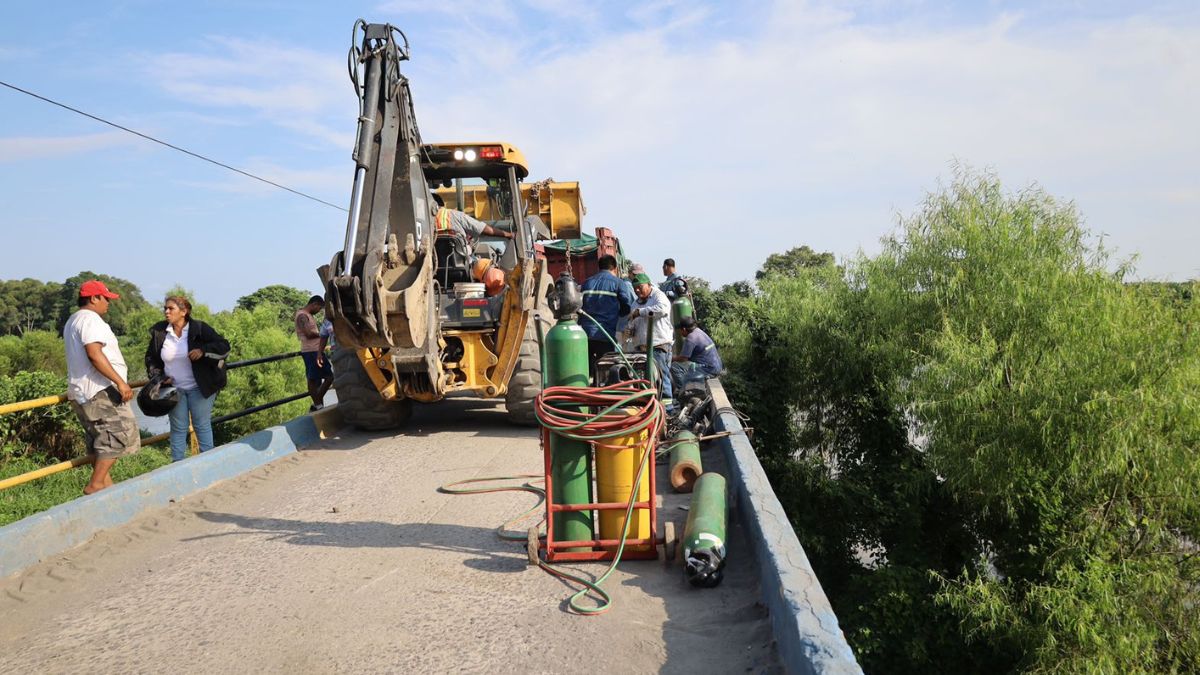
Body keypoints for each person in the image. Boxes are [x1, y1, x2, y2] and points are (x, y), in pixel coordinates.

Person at [62, 280, 141, 494]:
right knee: (116, 437)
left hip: (83, 391)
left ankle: (106, 488)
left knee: (101, 440)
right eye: (106, 298)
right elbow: (95, 354)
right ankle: (95, 485)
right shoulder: (90, 320)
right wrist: (120, 382)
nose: (108, 303)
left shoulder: (74, 319)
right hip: (98, 390)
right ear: (94, 298)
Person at [145, 296, 231, 461]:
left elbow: (224, 345)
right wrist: (159, 377)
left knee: (201, 425)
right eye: (165, 308)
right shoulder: (160, 332)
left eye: (171, 308)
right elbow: (151, 358)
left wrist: (203, 351)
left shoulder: (199, 328)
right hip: (174, 390)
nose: (166, 312)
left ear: (184, 311)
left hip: (200, 387)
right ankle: (177, 465)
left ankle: (208, 462)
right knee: (178, 428)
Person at [625, 273, 675, 409]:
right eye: (635, 288)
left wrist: (639, 312)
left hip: (658, 345)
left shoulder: (659, 296)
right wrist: (631, 329)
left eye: (640, 287)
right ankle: (648, 406)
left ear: (649, 285)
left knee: (661, 376)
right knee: (644, 380)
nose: (637, 290)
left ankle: (667, 409)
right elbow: (633, 322)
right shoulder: (635, 303)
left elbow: (662, 310)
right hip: (641, 348)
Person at [580, 254, 636, 366]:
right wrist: (618, 314)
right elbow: (626, 306)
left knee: (587, 368)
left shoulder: (586, 283)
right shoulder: (618, 283)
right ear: (615, 268)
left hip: (585, 334)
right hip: (606, 333)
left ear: (599, 268)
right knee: (606, 368)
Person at [296, 295, 333, 411]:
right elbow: (308, 334)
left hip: (314, 350)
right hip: (311, 350)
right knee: (320, 378)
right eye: (319, 308)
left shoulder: (307, 315)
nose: (319, 311)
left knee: (319, 379)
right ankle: (317, 404)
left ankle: (318, 404)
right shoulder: (302, 316)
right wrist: (324, 333)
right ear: (314, 304)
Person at [671, 316, 724, 391]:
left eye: (680, 330)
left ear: (684, 329)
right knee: (686, 367)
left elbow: (683, 358)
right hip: (717, 366)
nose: (679, 332)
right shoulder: (699, 331)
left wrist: (671, 358)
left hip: (709, 369)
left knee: (675, 367)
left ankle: (683, 391)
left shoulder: (690, 338)